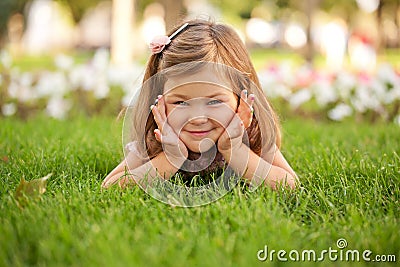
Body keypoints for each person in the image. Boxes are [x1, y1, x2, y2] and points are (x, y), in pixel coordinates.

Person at [102, 19, 297, 191]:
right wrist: (170, 157)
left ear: (241, 98)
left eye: (214, 101)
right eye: (180, 102)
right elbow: (110, 186)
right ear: (158, 100)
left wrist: (235, 151)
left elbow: (290, 185)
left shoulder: (251, 131)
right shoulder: (157, 138)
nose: (198, 118)